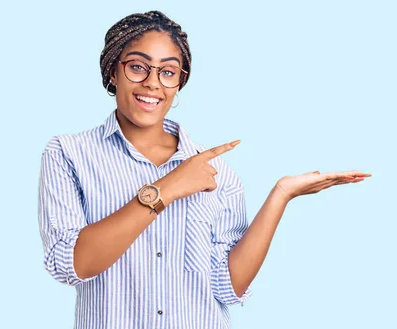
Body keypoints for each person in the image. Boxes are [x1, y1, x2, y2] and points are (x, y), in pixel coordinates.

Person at [37, 10, 371, 329]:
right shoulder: (69, 154)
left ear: (179, 83)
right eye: (138, 67)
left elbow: (228, 286)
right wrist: (167, 189)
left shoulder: (215, 171)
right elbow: (71, 264)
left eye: (168, 72)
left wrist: (281, 195)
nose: (153, 83)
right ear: (113, 70)